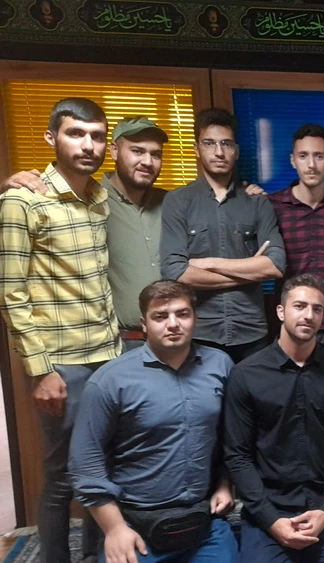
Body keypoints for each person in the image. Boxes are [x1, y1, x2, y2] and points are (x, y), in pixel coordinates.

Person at [2, 116, 267, 353]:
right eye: (137, 151)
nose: (147, 162)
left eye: (155, 154)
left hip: (178, 339)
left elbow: (219, 208)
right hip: (118, 345)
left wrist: (244, 194)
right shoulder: (90, 200)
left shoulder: (174, 203)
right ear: (114, 151)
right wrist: (8, 186)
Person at [0, 98, 120, 562]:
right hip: (61, 364)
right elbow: (11, 293)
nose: (88, 145)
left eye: (97, 136)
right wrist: (41, 370)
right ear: (52, 137)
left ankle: (95, 555)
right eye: (76, 133)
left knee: (101, 467)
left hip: (107, 355)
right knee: (62, 476)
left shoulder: (99, 197)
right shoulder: (22, 200)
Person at [68, 280, 237, 562]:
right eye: (160, 316)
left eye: (182, 314)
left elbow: (231, 437)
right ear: (144, 324)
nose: (173, 324)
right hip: (133, 523)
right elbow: (86, 462)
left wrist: (224, 483)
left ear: (195, 318)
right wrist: (114, 528)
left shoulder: (221, 365)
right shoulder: (110, 380)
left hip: (203, 519)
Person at [223, 274, 324, 562]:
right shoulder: (246, 374)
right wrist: (270, 519)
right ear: (281, 312)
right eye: (300, 306)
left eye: (317, 309)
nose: (309, 315)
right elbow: (237, 455)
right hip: (269, 509)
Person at [160, 108, 286, 362]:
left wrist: (207, 263)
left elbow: (275, 265)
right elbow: (176, 272)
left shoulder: (257, 202)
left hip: (251, 332)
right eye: (209, 143)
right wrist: (249, 273)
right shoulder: (178, 201)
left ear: (236, 151)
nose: (219, 151)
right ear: (197, 149)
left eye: (226, 144)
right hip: (200, 332)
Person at [269, 124, 324, 351]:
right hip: (291, 321)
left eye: (319, 156)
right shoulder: (271, 206)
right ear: (293, 160)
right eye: (303, 156)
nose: (311, 165)